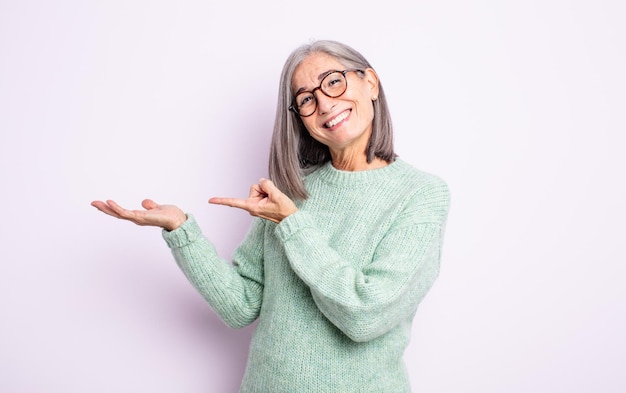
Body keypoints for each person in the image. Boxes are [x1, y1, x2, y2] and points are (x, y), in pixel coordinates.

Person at [92, 39, 450, 393]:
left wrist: (292, 224)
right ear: (301, 120)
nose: (325, 103)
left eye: (334, 81)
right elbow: (242, 305)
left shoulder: (421, 194)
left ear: (370, 82)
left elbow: (364, 315)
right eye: (306, 99)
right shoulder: (291, 193)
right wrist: (181, 231)